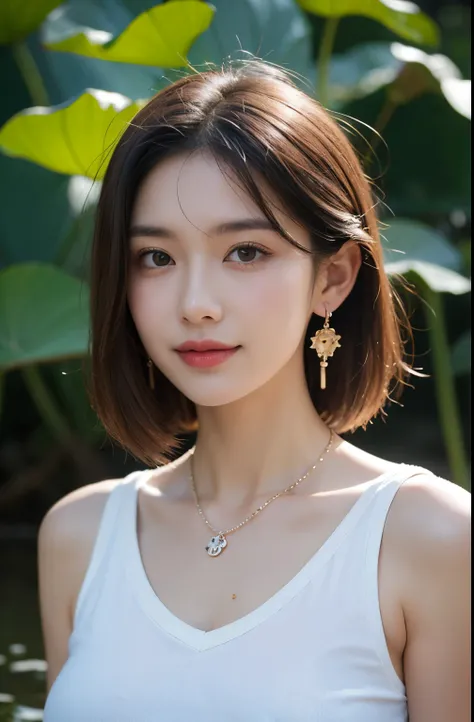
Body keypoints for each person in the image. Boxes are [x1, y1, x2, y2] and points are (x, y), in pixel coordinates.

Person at [38, 60, 470, 722]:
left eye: (245, 252)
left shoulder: (430, 538)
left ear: (333, 278)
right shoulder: (79, 536)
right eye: (156, 257)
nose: (196, 304)